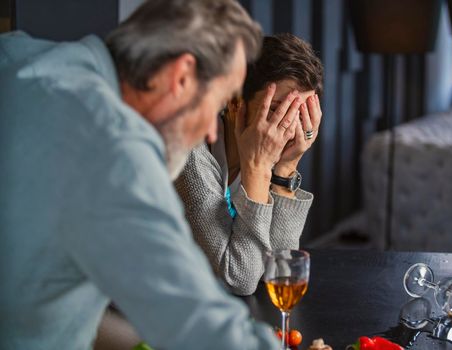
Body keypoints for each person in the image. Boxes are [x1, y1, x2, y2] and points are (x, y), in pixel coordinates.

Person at [0, 0, 282, 349]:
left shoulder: (16, 54)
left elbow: (32, 291)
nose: (212, 131)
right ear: (181, 76)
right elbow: (205, 328)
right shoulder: (114, 151)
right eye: (218, 104)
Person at [175, 33, 324, 295]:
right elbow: (239, 279)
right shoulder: (190, 153)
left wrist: (285, 170)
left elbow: (280, 274)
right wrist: (257, 169)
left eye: (301, 112)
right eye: (278, 108)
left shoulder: (262, 151)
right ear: (234, 102)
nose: (290, 125)